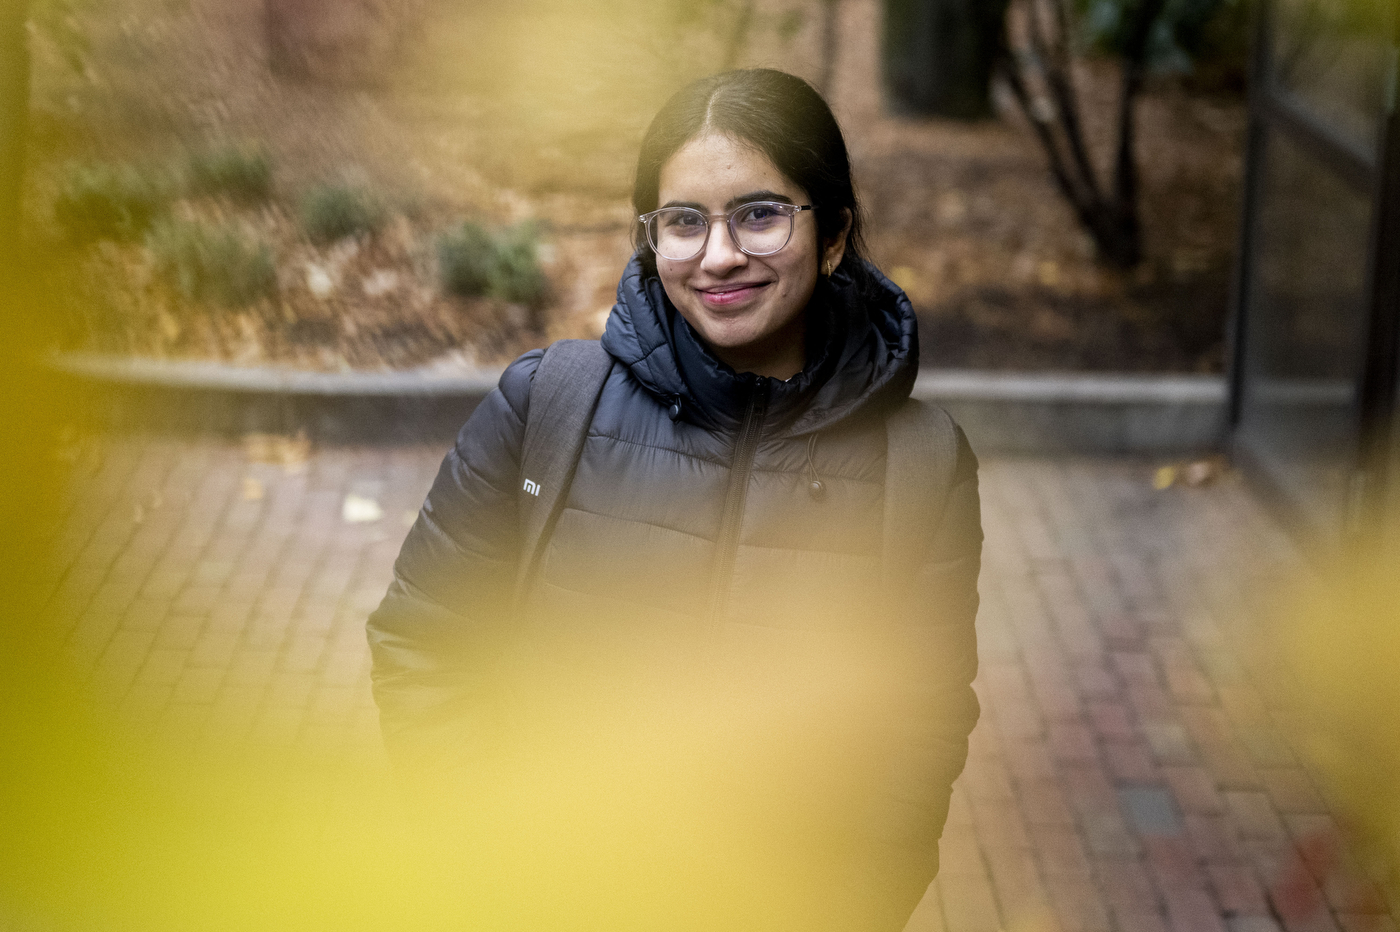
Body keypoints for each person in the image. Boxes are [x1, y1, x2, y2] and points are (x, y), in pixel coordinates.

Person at [367, 68, 982, 931]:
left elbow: (921, 727)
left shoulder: (920, 465)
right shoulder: (547, 406)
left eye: (760, 213)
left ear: (835, 232)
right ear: (650, 238)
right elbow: (422, 641)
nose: (719, 254)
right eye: (684, 221)